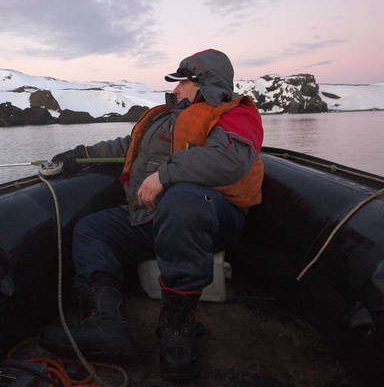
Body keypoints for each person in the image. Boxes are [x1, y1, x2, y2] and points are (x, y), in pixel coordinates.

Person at [40, 49, 264, 382]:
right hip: (154, 219)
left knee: (182, 199)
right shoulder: (163, 117)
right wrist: (78, 155)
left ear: (207, 84)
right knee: (93, 230)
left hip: (211, 219)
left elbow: (229, 160)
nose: (176, 90)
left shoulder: (236, 115)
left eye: (184, 83)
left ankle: (177, 328)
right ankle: (105, 322)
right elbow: (125, 146)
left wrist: (164, 176)